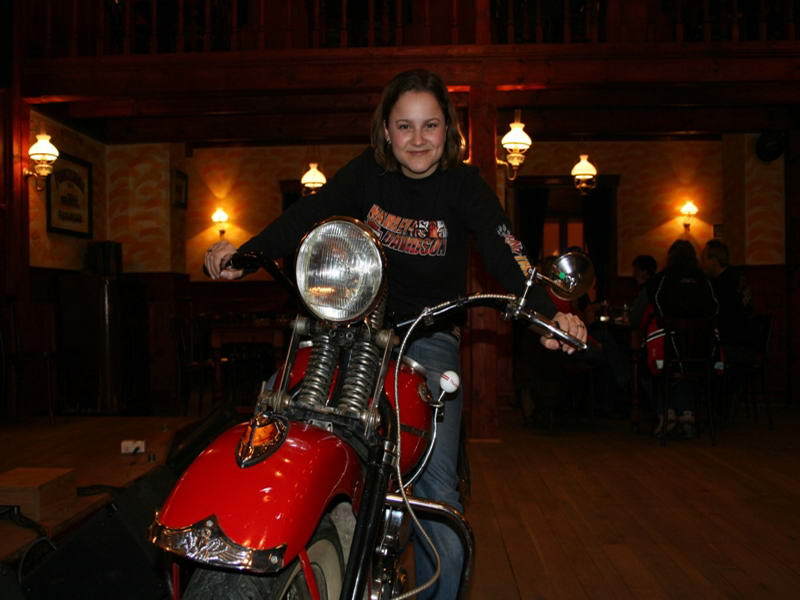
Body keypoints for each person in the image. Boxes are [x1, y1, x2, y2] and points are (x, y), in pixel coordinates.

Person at [204, 69, 587, 600]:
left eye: (430, 125)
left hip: (425, 338)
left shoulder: (463, 185)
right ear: (386, 130)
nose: (418, 139)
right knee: (275, 406)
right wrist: (245, 256)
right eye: (405, 126)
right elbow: (307, 215)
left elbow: (505, 249)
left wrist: (547, 313)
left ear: (448, 129)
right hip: (349, 329)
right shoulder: (368, 173)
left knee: (436, 492)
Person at [645, 239, 718, 437]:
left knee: (654, 367)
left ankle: (666, 412)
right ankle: (687, 414)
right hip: (702, 352)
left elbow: (655, 304)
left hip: (669, 348)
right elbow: (714, 309)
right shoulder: (704, 280)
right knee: (685, 368)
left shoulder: (662, 279)